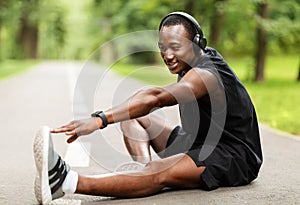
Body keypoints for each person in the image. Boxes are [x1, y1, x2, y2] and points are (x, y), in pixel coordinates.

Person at [33, 11, 263, 204]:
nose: (168, 55)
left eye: (176, 47)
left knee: (156, 170)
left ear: (197, 44)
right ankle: (141, 174)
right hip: (196, 141)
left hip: (231, 156)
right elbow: (143, 99)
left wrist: (100, 119)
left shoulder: (207, 75)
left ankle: (65, 182)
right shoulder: (194, 59)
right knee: (132, 117)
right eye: (162, 47)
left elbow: (157, 97)